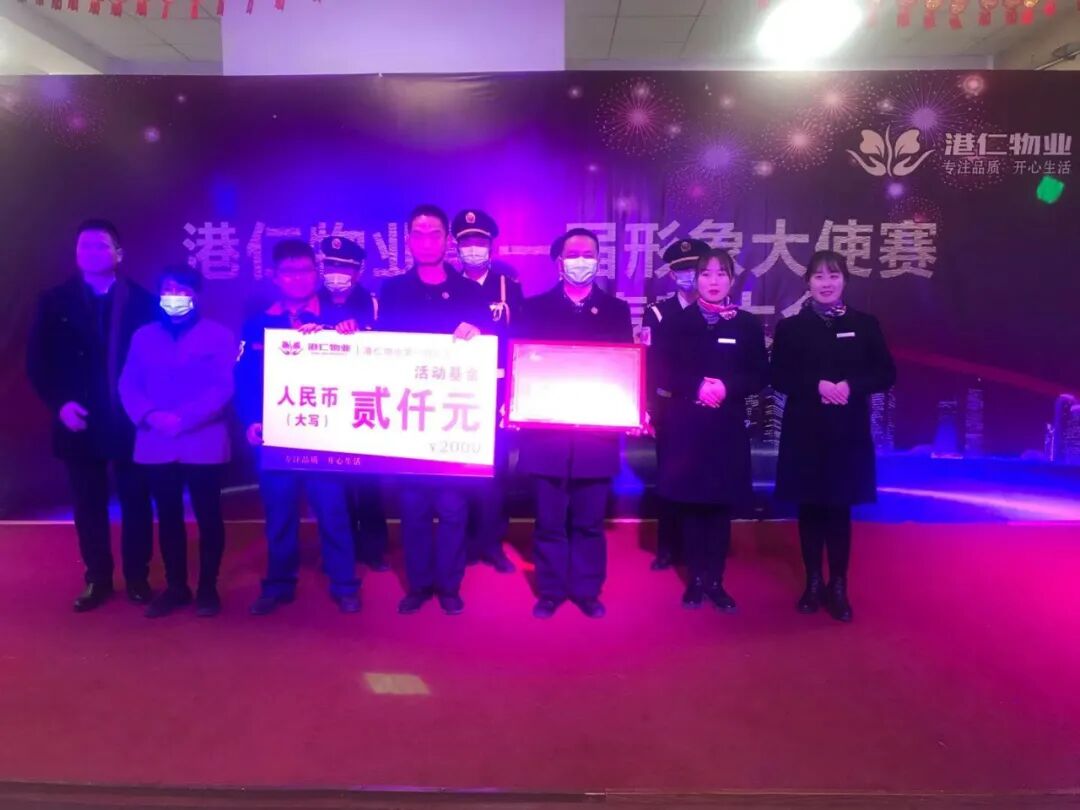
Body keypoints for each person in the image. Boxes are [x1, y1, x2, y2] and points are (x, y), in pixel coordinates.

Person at [26, 219, 158, 612]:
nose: (92, 252)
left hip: (129, 418)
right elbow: (38, 362)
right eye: (84, 246)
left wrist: (145, 408)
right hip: (77, 416)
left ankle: (137, 577)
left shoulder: (142, 300)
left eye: (101, 245)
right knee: (88, 504)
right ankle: (97, 578)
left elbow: (156, 364)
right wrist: (60, 404)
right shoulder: (54, 301)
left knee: (136, 501)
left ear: (119, 254)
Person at [235, 238, 361, 615]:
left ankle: (344, 583)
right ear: (275, 276)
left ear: (316, 274)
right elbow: (243, 378)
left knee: (333, 510)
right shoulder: (258, 323)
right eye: (289, 272)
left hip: (324, 437)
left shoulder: (340, 319)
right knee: (279, 513)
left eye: (305, 270)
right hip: (276, 435)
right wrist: (250, 420)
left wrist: (355, 338)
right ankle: (279, 583)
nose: (297, 278)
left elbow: (365, 373)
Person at [770, 250, 896, 623]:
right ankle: (812, 583)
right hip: (805, 431)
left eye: (834, 276)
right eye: (819, 277)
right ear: (807, 282)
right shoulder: (791, 328)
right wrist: (818, 385)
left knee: (839, 510)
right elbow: (778, 376)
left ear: (845, 281)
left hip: (847, 433)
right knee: (809, 508)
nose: (826, 284)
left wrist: (850, 385)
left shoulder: (865, 324)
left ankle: (839, 585)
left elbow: (886, 374)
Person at [516, 228, 633, 620]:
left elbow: (625, 368)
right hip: (545, 435)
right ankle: (550, 590)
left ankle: (586, 590)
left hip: (595, 435)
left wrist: (632, 407)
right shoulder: (534, 308)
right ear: (559, 262)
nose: (581, 260)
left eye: (589, 254)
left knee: (589, 522)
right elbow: (522, 364)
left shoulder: (615, 310)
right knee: (548, 520)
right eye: (574, 254)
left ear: (598, 261)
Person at [378, 204, 488, 616]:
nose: (426, 241)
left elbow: (490, 349)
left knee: (452, 508)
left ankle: (449, 585)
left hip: (453, 421)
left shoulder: (469, 292)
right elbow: (381, 352)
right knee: (413, 509)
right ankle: (419, 584)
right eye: (418, 233)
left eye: (434, 233)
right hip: (409, 417)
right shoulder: (393, 291)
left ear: (447, 241)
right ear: (408, 240)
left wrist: (479, 334)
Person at [118, 266, 235, 618]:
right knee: (168, 516)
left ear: (197, 295)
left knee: (209, 515)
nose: (174, 297)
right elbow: (128, 383)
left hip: (203, 439)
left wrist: (185, 418)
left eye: (182, 290)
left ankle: (208, 587)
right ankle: (176, 587)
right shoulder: (143, 336)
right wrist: (151, 415)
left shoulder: (219, 335)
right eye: (168, 290)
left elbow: (224, 385)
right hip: (156, 439)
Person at [656, 249, 768, 611]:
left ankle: (716, 580)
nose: (714, 281)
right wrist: (696, 387)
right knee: (691, 503)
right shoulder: (676, 322)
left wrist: (727, 387)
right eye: (706, 274)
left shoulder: (746, 325)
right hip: (686, 425)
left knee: (719, 505)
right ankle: (695, 579)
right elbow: (660, 370)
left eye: (721, 274)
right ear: (696, 279)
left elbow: (760, 375)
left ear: (732, 280)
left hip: (726, 426)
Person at [451, 209, 523, 574]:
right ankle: (463, 541)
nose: (473, 248)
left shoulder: (508, 287)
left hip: (496, 390)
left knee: (496, 470)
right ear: (456, 247)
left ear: (491, 246)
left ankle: (492, 543)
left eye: (479, 242)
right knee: (462, 469)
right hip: (455, 391)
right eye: (466, 242)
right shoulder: (448, 286)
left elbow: (522, 340)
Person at [317, 235, 390, 573]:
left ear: (358, 272)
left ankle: (373, 549)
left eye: (344, 267)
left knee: (369, 486)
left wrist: (360, 331)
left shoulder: (373, 304)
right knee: (333, 488)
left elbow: (391, 348)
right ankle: (338, 548)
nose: (336, 273)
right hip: (325, 406)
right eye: (331, 265)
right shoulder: (310, 303)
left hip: (366, 405)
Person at [642, 238, 711, 572]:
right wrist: (649, 408)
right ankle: (667, 546)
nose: (689, 276)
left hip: (709, 406)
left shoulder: (719, 311)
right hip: (670, 406)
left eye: (696, 269)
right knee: (669, 474)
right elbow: (649, 363)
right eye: (682, 270)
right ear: (672, 274)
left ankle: (701, 544)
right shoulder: (658, 313)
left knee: (705, 473)